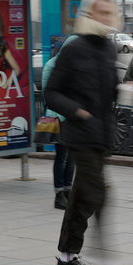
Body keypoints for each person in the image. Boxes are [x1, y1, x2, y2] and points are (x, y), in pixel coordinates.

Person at [44, 0, 120, 265]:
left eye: (109, 13)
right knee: (99, 195)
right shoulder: (74, 48)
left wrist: (126, 90)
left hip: (101, 135)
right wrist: (77, 111)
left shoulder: (110, 48)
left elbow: (110, 89)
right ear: (88, 15)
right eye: (100, 13)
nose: (106, 18)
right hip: (79, 134)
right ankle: (107, 259)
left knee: (82, 198)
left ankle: (66, 258)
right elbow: (52, 92)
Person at [41, 34, 77, 210]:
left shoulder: (75, 69)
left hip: (72, 118)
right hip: (58, 118)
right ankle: (59, 193)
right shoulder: (51, 66)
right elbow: (50, 94)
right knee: (62, 157)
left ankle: (69, 190)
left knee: (71, 158)